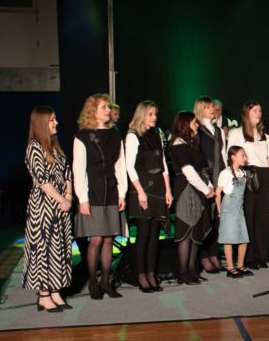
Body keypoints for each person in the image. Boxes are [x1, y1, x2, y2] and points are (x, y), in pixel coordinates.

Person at [73, 94, 128, 299]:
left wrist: (122, 192)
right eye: (104, 107)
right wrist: (82, 198)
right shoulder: (82, 136)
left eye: (108, 107)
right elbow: (79, 170)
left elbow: (119, 165)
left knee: (108, 238)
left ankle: (106, 281)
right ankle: (93, 282)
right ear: (92, 111)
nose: (108, 110)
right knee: (95, 239)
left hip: (112, 191)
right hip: (93, 192)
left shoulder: (115, 134)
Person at [23, 106, 74, 312]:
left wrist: (68, 197)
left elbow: (67, 172)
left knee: (59, 248)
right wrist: (62, 199)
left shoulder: (55, 146)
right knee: (44, 248)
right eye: (52, 120)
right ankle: (44, 295)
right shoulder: (34, 147)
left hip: (61, 203)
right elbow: (43, 181)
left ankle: (55, 291)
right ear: (42, 123)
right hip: (44, 205)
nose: (56, 123)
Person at [125, 100, 172, 293]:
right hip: (142, 189)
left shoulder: (158, 134)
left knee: (155, 236)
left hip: (158, 189)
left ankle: (152, 273)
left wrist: (168, 189)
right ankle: (141, 274)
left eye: (155, 114)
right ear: (142, 115)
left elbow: (163, 164)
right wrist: (141, 192)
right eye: (151, 114)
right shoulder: (133, 136)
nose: (154, 117)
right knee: (143, 235)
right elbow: (130, 167)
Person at [227, 101, 269, 269]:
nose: (259, 113)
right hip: (248, 176)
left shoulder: (265, 134)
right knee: (248, 217)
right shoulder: (237, 133)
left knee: (263, 218)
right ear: (247, 113)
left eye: (260, 110)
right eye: (255, 110)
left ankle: (261, 256)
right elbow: (231, 157)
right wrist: (235, 178)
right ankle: (248, 257)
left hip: (265, 175)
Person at [169, 111, 214, 284]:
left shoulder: (193, 144)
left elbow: (202, 169)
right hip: (187, 190)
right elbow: (189, 172)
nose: (197, 125)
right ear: (185, 124)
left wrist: (209, 187)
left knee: (196, 230)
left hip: (198, 189)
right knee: (186, 232)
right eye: (194, 122)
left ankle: (192, 269)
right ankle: (183, 272)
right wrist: (205, 190)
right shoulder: (179, 144)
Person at [194, 96, 225, 275]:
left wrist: (226, 176)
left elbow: (222, 154)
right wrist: (205, 181)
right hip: (204, 177)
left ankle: (214, 253)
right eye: (207, 107)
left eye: (212, 106)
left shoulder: (219, 130)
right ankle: (203, 255)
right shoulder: (197, 129)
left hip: (218, 175)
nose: (212, 109)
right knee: (205, 217)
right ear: (200, 110)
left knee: (217, 218)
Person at [215, 146, 253, 278]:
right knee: (229, 240)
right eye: (242, 155)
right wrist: (220, 211)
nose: (245, 158)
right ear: (233, 157)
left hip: (239, 209)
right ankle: (230, 268)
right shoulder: (225, 173)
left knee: (244, 239)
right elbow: (218, 193)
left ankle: (240, 265)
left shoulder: (242, 173)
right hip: (229, 209)